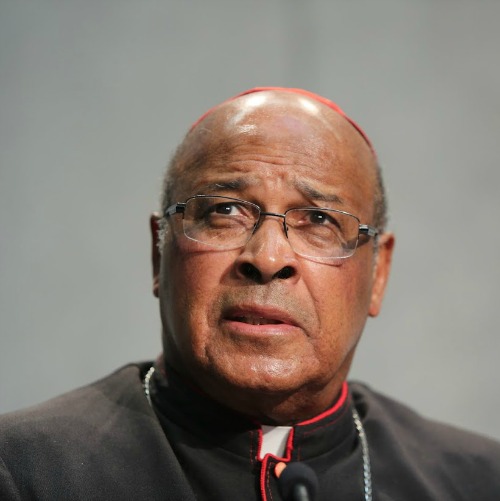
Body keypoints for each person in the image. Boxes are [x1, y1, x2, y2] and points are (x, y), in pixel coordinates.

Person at [1, 87, 499, 501]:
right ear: (159, 254)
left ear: (379, 272)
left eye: (320, 220)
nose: (266, 258)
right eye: (224, 211)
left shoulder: (476, 482)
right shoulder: (27, 471)